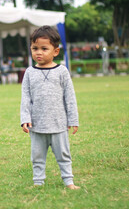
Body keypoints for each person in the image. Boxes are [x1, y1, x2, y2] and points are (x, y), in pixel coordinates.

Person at [20, 25, 80, 190]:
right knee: (37, 157)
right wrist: (25, 119)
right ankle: (38, 183)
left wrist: (73, 119)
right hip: (37, 126)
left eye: (44, 48)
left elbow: (70, 97)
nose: (38, 52)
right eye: (35, 48)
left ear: (55, 51)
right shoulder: (29, 73)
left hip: (59, 124)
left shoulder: (62, 72)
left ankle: (69, 182)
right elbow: (25, 98)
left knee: (63, 155)